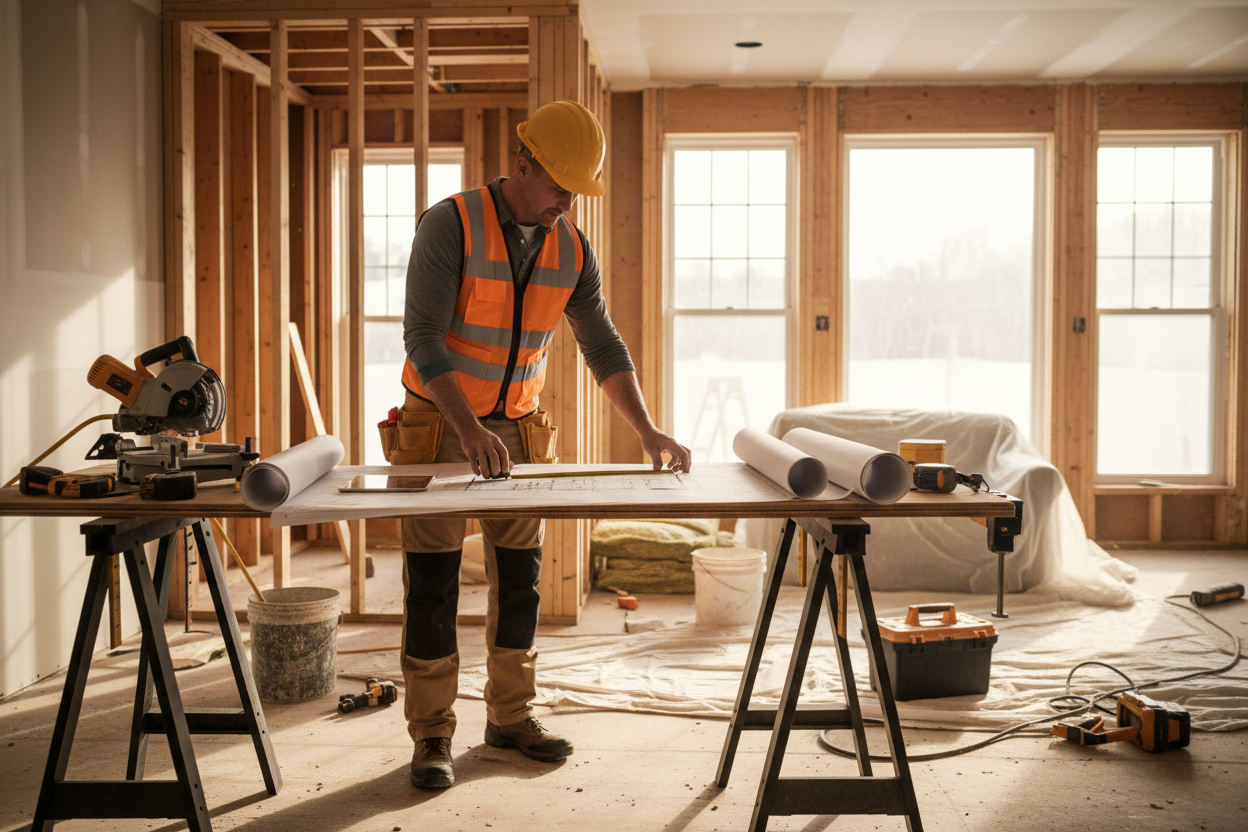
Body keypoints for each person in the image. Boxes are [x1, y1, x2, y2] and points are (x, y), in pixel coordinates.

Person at [398, 99, 691, 790]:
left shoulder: (572, 248)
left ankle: (510, 716)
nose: (567, 203)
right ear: (522, 165)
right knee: (434, 585)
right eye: (560, 187)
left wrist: (646, 429)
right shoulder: (450, 223)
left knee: (520, 581)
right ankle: (433, 732)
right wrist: (468, 428)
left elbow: (602, 345)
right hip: (440, 423)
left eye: (576, 192)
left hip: (520, 430)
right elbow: (423, 338)